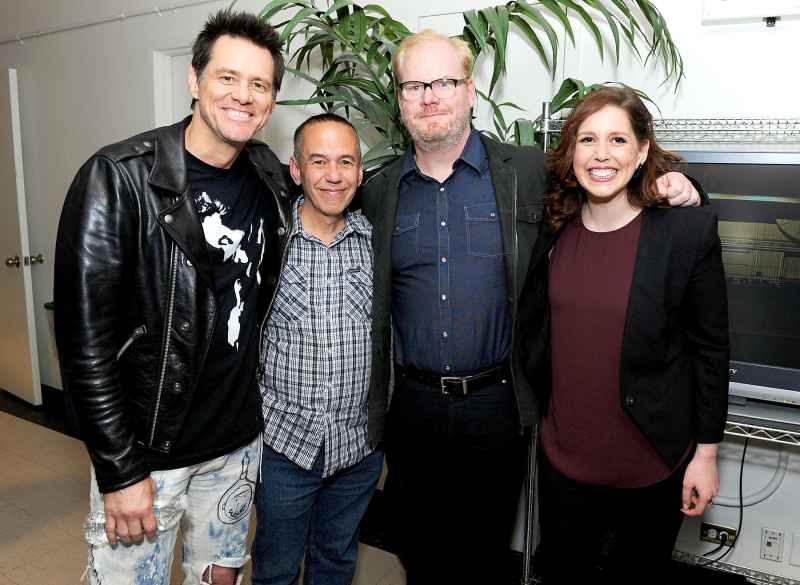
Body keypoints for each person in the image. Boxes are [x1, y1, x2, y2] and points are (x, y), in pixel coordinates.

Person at [360, 29, 703, 584]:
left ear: (469, 90)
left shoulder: (526, 172)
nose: (429, 96)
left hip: (497, 406)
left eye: (444, 82)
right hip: (412, 411)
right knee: (419, 555)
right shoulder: (379, 192)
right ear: (399, 98)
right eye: (414, 85)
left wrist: (685, 186)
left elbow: (608, 176)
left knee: (485, 559)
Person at [54, 10, 290, 585]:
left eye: (259, 84)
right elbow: (84, 343)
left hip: (236, 447)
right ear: (194, 80)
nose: (243, 96)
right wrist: (118, 470)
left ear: (271, 100)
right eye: (227, 77)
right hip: (147, 455)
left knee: (220, 578)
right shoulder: (119, 177)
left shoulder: (267, 176)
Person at [518, 86, 729, 583]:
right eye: (587, 139)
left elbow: (711, 349)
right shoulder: (553, 229)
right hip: (565, 466)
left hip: (652, 466)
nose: (601, 154)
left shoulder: (684, 234)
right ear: (571, 153)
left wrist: (706, 454)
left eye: (617, 140)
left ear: (641, 150)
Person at [250, 113, 383, 585]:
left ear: (360, 172)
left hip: (357, 447)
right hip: (284, 445)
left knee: (336, 562)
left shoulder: (377, 243)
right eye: (319, 161)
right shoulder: (268, 239)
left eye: (346, 162)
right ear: (295, 169)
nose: (333, 175)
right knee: (276, 569)